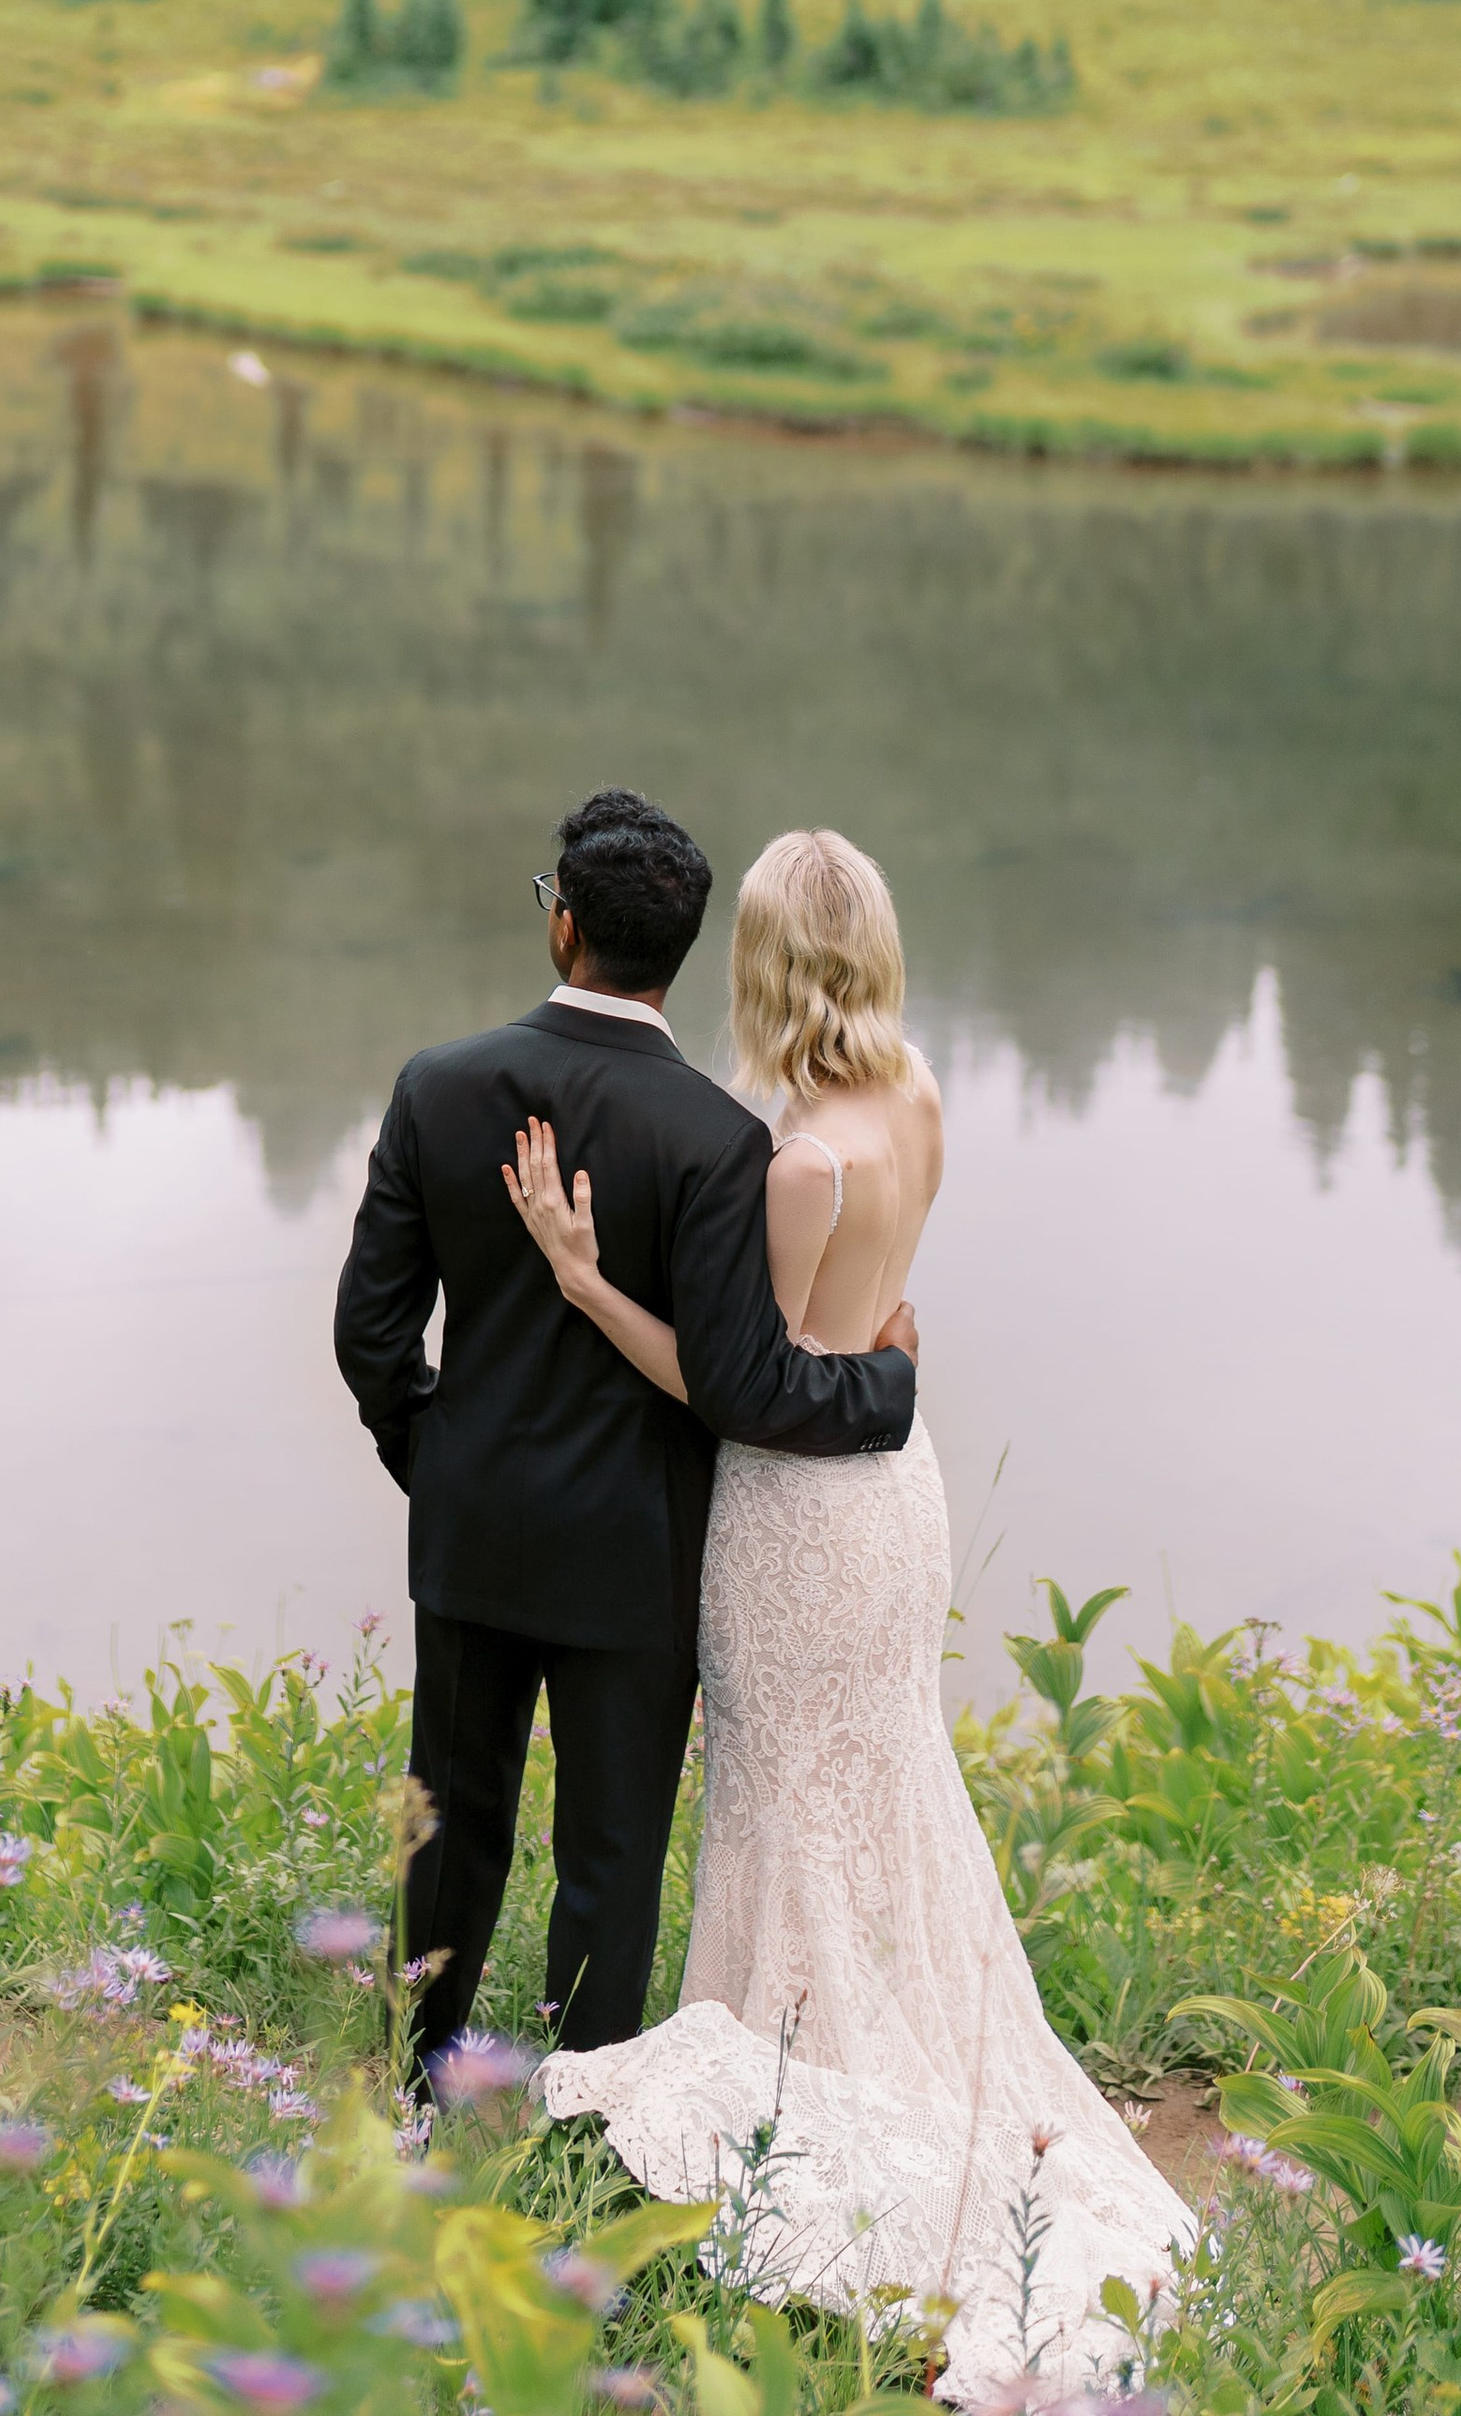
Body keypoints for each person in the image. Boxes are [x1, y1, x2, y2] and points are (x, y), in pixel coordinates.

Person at [509, 826, 1193, 2403]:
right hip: (902, 1494)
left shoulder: (799, 1161)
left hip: (800, 1509)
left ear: (763, 963)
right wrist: (868, 1351)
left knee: (786, 1792)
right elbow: (866, 1335)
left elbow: (735, 1383)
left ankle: (793, 2075)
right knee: (876, 1783)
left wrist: (580, 1276)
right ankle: (856, 2033)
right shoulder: (921, 1096)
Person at [332, 788, 918, 2079]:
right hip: (636, 1557)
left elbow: (372, 1338)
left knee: (451, 1825)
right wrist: (888, 1391)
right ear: (679, 953)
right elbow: (743, 1385)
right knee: (608, 1856)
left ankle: (411, 2084)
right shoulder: (719, 1141)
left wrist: (436, 1461)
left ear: (565, 929)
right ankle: (581, 2116)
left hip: (475, 1531)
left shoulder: (441, 1088)